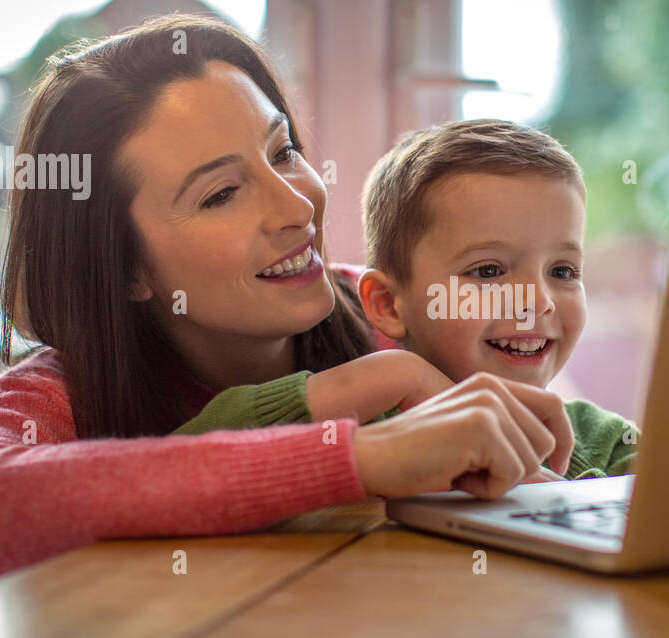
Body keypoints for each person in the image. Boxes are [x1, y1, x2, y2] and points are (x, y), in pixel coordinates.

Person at [0, 15, 572, 592]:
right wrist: (359, 453)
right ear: (125, 268)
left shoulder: (393, 308)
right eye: (221, 194)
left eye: (282, 151)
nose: (297, 205)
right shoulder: (57, 396)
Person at [177, 118, 638, 479]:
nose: (537, 301)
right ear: (389, 305)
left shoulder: (603, 441)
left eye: (562, 271)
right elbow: (189, 453)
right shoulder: (360, 437)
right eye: (488, 271)